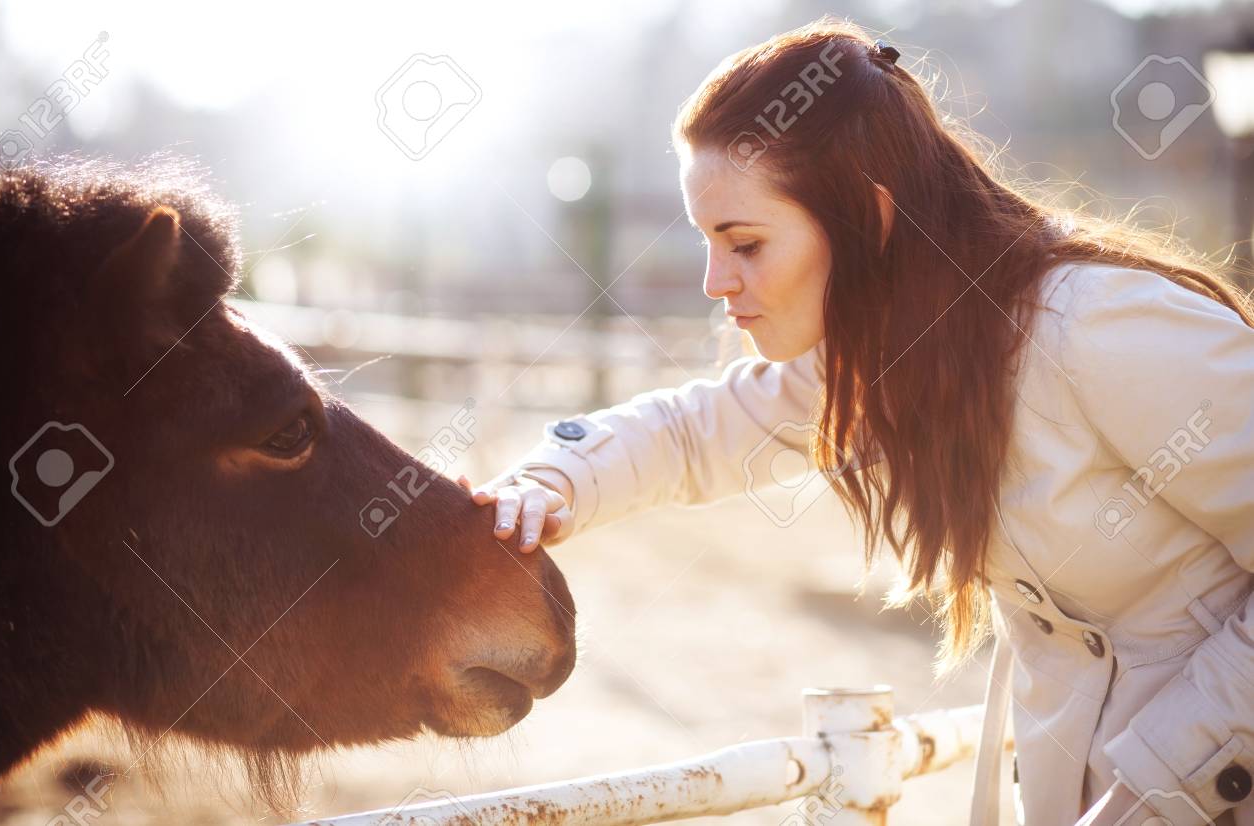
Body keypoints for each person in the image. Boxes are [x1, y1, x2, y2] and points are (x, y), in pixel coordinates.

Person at [457, 19, 1254, 826]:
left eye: (745, 243)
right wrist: (548, 482)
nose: (713, 280)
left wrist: (1168, 781)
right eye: (707, 242)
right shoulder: (885, 352)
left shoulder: (1098, 325)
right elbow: (696, 432)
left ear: (868, 219)